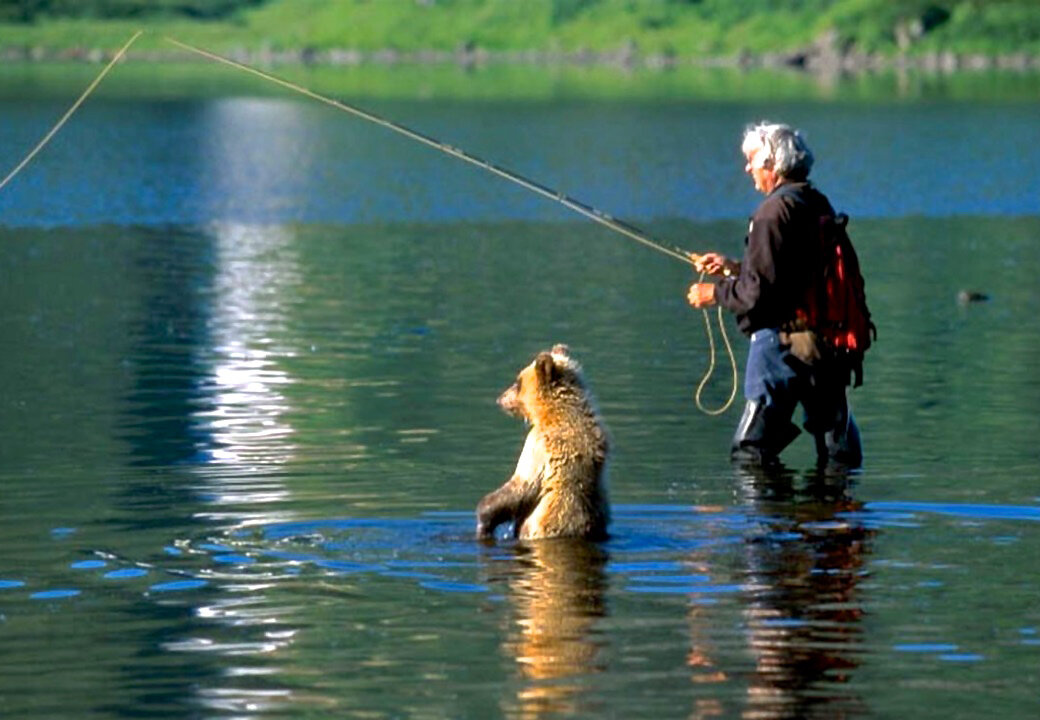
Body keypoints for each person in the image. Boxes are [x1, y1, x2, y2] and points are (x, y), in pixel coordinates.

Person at [687, 122, 863, 468]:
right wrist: (735, 267)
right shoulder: (813, 201)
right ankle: (831, 517)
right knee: (837, 451)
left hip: (781, 346)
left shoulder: (770, 213)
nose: (747, 168)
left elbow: (757, 295)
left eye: (752, 160)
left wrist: (715, 293)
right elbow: (791, 272)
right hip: (825, 343)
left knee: (750, 453)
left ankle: (772, 522)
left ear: (771, 164)